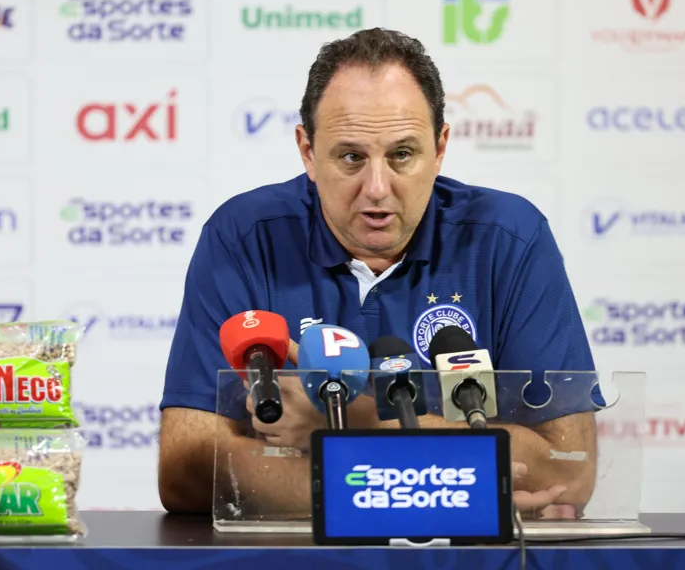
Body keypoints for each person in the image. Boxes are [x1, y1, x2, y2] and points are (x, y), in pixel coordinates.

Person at [158, 28, 598, 517]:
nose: (376, 189)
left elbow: (567, 467)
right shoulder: (243, 238)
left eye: (402, 155)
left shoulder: (509, 239)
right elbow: (187, 468)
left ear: (441, 146)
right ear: (307, 150)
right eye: (351, 157)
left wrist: (347, 424)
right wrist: (445, 491)